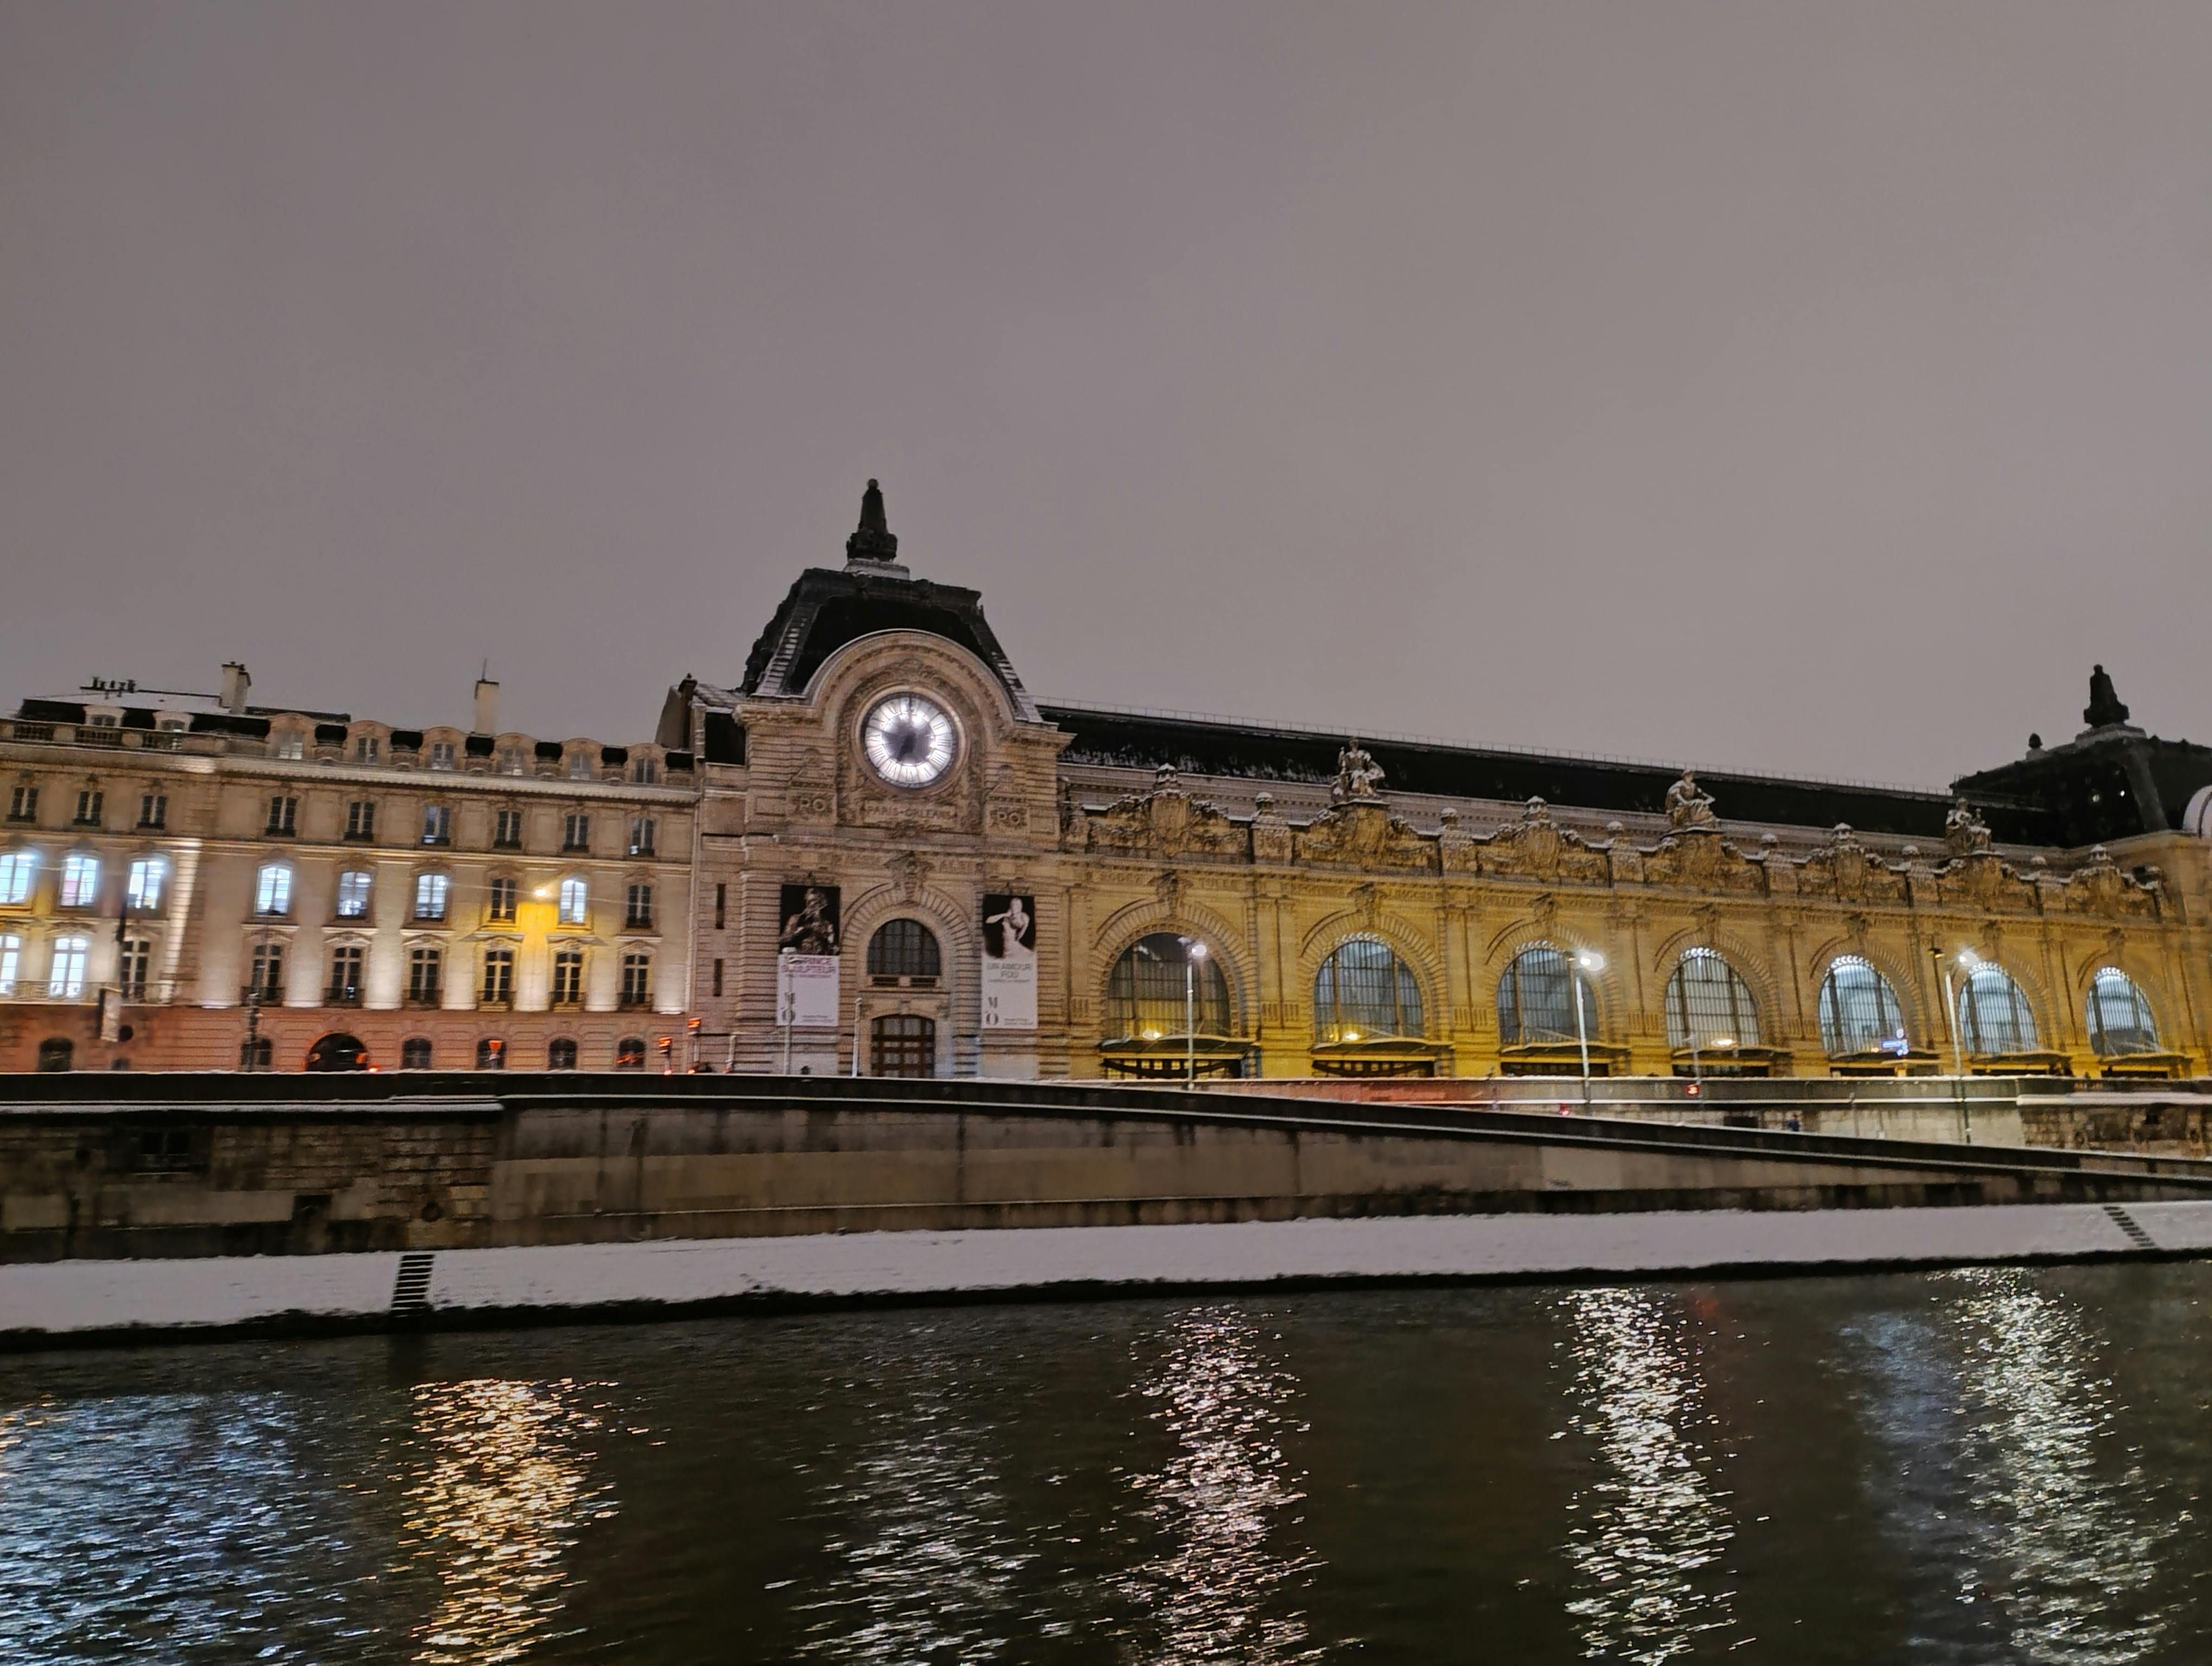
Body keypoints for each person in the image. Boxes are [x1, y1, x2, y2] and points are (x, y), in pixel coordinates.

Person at [779, 887, 838, 956]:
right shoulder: (796, 919)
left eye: (816, 902)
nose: (812, 904)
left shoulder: (826, 924)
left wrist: (829, 940)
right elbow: (782, 940)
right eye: (810, 902)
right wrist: (798, 933)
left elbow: (834, 948)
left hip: (820, 958)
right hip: (799, 956)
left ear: (822, 905)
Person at [985, 895, 1034, 960]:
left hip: (1012, 944)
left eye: (1016, 906)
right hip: (1005, 945)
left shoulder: (1024, 917)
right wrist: (1005, 915)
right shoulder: (1007, 915)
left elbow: (1019, 936)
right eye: (1012, 905)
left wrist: (1021, 924)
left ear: (1019, 907)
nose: (1014, 907)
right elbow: (988, 921)